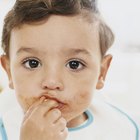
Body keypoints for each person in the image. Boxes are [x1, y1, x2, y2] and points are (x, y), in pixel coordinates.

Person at [0, 0, 139, 140]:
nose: (52, 82)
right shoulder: (5, 126)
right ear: (9, 71)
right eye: (32, 63)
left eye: (74, 64)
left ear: (101, 73)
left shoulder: (123, 128)